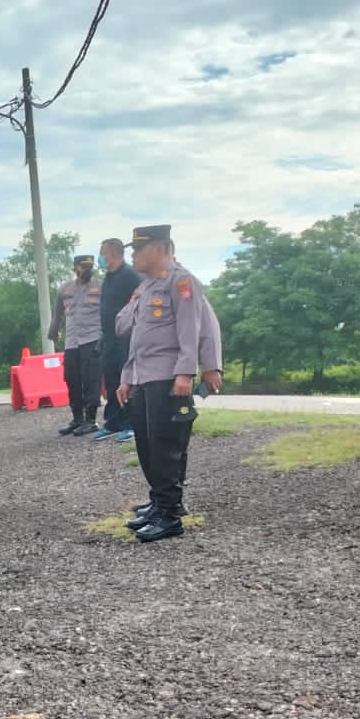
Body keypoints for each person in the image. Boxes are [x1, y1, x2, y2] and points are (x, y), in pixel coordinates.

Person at [115, 225, 221, 542]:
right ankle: (160, 503)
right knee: (148, 445)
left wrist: (187, 372)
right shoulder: (145, 287)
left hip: (168, 376)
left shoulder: (182, 281)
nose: (133, 255)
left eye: (138, 249)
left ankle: (170, 515)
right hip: (143, 376)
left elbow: (193, 329)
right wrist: (126, 377)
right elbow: (130, 334)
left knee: (165, 447)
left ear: (159, 249)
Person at [93, 238, 143, 443]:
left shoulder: (130, 275)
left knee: (126, 380)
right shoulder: (109, 277)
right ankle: (113, 422)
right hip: (109, 337)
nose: (100, 258)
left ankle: (131, 424)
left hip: (126, 338)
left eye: (102, 253)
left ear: (112, 254)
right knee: (112, 380)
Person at [48, 253, 104, 436]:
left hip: (92, 339)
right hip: (72, 341)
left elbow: (108, 312)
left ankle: (91, 420)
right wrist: (53, 331)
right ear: (75, 269)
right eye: (83, 267)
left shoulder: (100, 287)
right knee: (72, 380)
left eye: (90, 267)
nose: (87, 270)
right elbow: (57, 314)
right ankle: (77, 418)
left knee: (91, 380)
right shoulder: (64, 289)